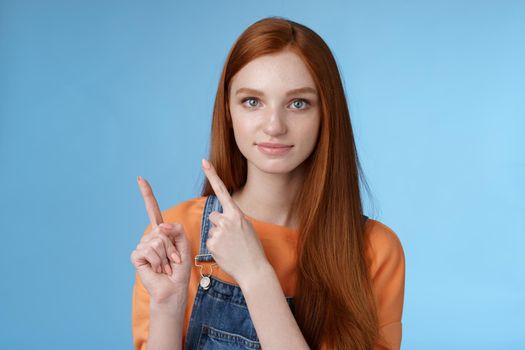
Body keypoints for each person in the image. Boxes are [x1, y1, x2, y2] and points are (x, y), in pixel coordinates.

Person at [130, 16, 405, 350]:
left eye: (298, 103)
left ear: (326, 115)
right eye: (252, 102)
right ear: (228, 112)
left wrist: (256, 275)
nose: (274, 126)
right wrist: (166, 308)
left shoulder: (376, 252)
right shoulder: (177, 233)